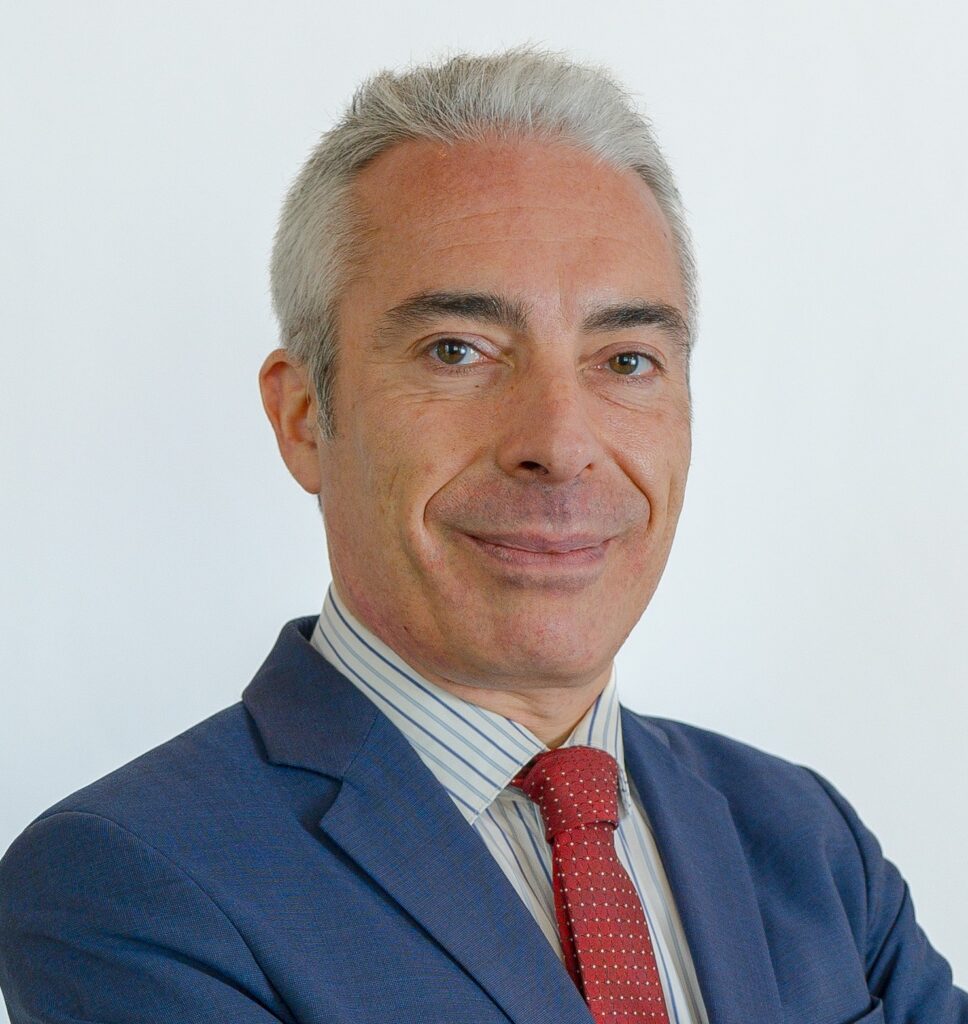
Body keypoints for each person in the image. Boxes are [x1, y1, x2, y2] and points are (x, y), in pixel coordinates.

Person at [0, 47, 964, 1024]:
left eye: (625, 359)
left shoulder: (808, 842)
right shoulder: (130, 884)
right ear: (302, 418)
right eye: (457, 350)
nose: (560, 443)